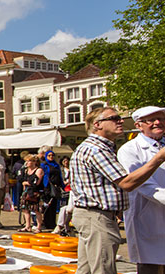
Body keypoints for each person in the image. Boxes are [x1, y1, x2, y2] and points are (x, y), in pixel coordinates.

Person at [70, 107, 165, 274]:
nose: (120, 121)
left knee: (87, 270)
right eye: (114, 118)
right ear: (97, 124)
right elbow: (127, 183)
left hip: (95, 215)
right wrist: (159, 158)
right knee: (103, 269)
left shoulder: (100, 148)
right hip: (97, 216)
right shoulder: (96, 149)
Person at [117, 106, 165, 274]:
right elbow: (143, 185)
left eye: (161, 119)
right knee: (150, 265)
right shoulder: (129, 150)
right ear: (138, 125)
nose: (158, 122)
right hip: (146, 217)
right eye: (151, 120)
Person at [18, 154, 45, 232]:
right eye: (26, 161)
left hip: (35, 192)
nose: (27, 162)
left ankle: (39, 227)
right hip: (26, 192)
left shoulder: (39, 170)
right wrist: (25, 182)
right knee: (25, 209)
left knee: (36, 210)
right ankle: (27, 226)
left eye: (29, 161)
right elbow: (20, 178)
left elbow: (35, 182)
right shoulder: (25, 170)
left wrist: (26, 183)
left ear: (34, 162)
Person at [41, 150, 64, 230]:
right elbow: (44, 176)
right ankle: (46, 222)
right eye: (49, 155)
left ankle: (52, 223)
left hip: (55, 187)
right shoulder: (44, 165)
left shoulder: (56, 165)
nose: (51, 157)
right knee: (48, 205)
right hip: (47, 187)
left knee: (54, 206)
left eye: (52, 155)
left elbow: (60, 176)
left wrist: (62, 186)